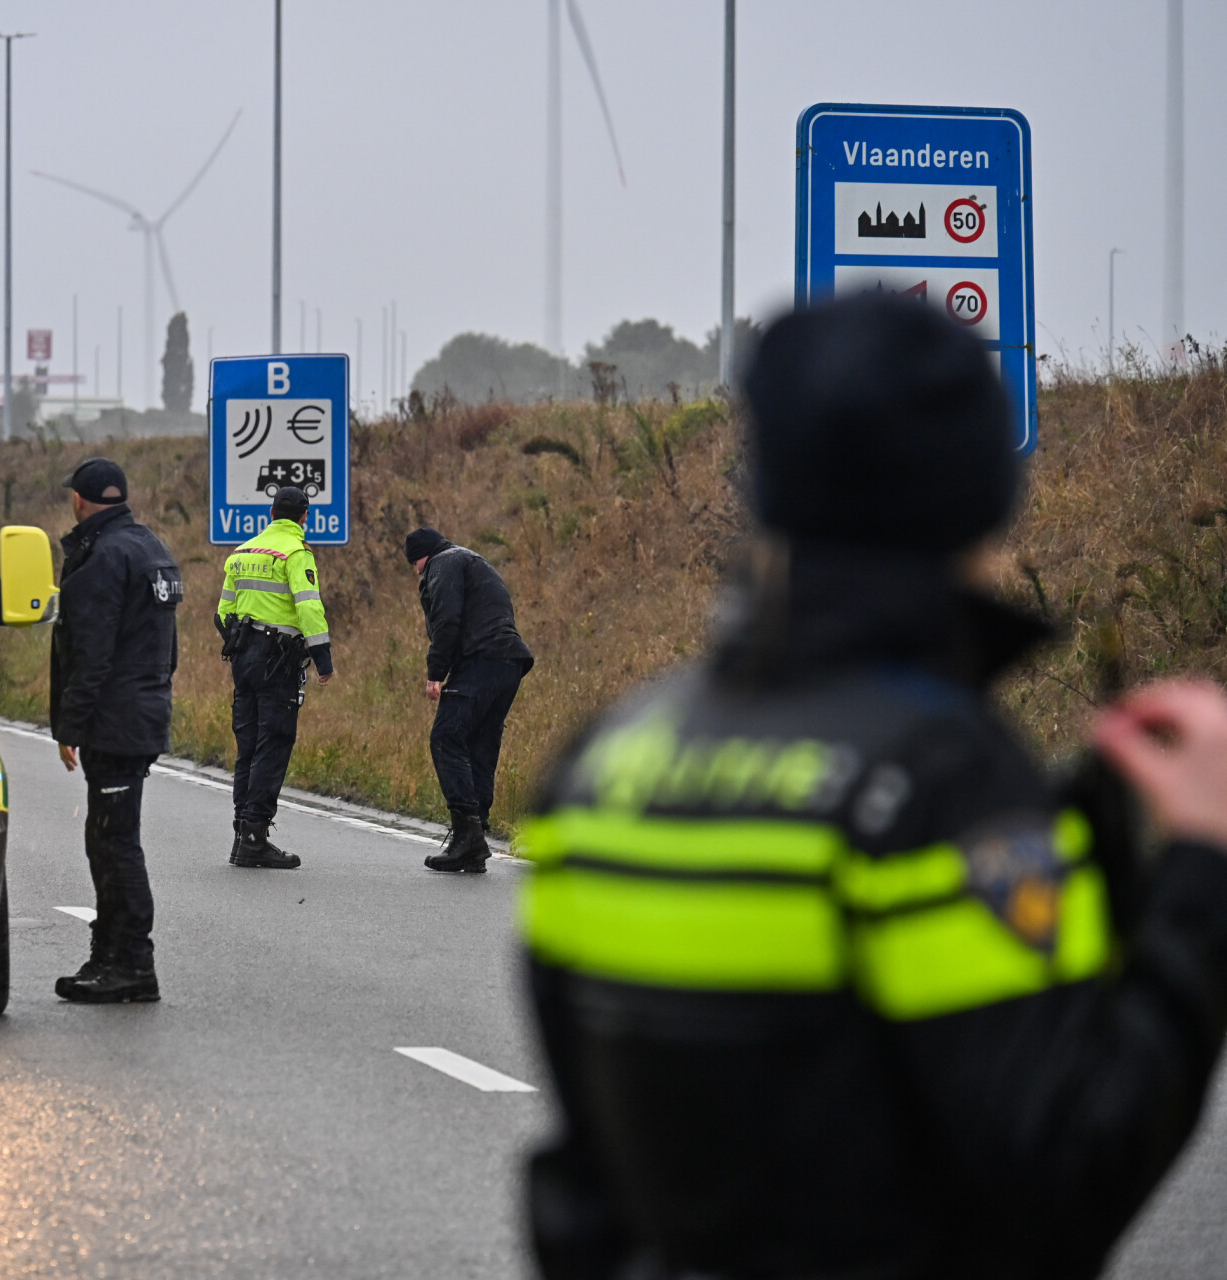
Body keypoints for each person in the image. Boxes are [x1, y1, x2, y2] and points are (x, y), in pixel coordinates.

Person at [520, 293, 1227, 1280]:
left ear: (766, 486)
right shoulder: (939, 781)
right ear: (986, 495)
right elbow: (1065, 1176)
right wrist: (1198, 869)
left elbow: (579, 1188)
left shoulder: (605, 764)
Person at [48, 457, 182, 1004]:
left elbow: (91, 654)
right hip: (143, 710)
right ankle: (109, 954)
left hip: (114, 720)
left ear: (79, 501)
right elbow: (166, 648)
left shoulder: (102, 557)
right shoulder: (150, 547)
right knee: (107, 838)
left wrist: (69, 727)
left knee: (114, 844)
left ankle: (131, 964)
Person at [216, 489, 334, 869]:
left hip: (244, 658)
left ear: (270, 513)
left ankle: (241, 834)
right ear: (304, 517)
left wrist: (243, 646)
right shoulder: (295, 553)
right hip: (278, 661)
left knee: (247, 744)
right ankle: (254, 836)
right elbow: (309, 606)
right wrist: (323, 658)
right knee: (274, 741)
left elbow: (222, 613)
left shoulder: (242, 552)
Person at [407, 527, 535, 874]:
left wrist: (436, 671)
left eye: (415, 566)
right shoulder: (473, 560)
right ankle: (475, 839)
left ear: (421, 558)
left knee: (446, 737)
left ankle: (467, 834)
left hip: (482, 659)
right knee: (480, 742)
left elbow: (448, 618)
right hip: (508, 662)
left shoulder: (442, 565)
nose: (417, 573)